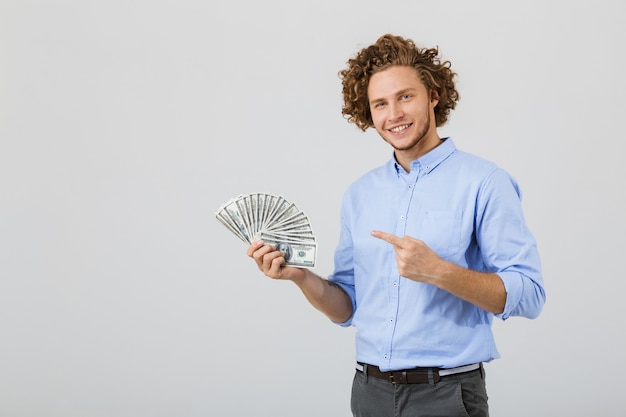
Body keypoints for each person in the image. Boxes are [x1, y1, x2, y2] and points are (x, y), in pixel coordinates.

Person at [247, 33, 545, 417]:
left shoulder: (485, 182)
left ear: (433, 95)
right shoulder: (359, 194)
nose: (394, 115)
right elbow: (347, 308)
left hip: (447, 394)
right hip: (368, 393)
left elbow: (530, 294)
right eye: (380, 104)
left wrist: (440, 272)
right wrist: (301, 277)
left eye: (405, 96)